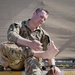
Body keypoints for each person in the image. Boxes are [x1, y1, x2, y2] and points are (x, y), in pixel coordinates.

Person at [0, 8, 61, 75]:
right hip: (16, 61)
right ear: (34, 14)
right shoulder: (18, 26)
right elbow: (11, 36)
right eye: (41, 16)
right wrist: (30, 43)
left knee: (33, 61)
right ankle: (36, 53)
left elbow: (50, 54)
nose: (42, 20)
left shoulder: (44, 35)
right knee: (4, 46)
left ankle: (35, 55)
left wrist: (53, 66)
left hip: (31, 61)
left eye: (44, 19)